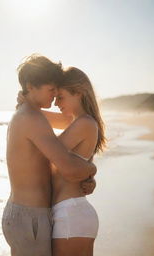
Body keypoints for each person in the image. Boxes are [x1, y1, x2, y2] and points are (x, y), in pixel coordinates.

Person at [2, 55, 97, 256]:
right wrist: (91, 170)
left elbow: (68, 120)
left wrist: (25, 100)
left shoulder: (31, 115)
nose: (54, 98)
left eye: (58, 92)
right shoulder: (31, 117)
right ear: (31, 86)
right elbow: (69, 167)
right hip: (30, 217)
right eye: (51, 90)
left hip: (31, 215)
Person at [40, 66, 106, 256]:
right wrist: (25, 102)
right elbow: (37, 116)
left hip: (70, 214)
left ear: (78, 93)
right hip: (73, 213)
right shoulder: (79, 122)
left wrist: (91, 171)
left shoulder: (84, 123)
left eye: (60, 97)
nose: (56, 103)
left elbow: (50, 152)